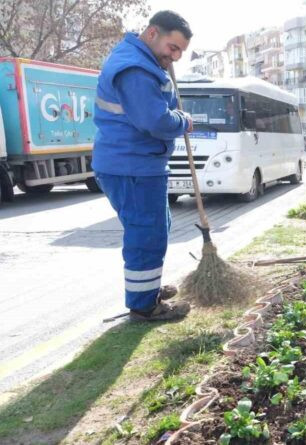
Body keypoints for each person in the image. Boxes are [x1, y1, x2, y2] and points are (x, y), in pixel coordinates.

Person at [92, 11, 193, 321]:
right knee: (146, 234)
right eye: (172, 48)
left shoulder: (143, 61)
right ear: (152, 33)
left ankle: (146, 290)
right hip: (132, 166)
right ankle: (144, 306)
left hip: (137, 164)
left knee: (155, 229)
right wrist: (183, 121)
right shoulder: (135, 68)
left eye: (180, 52)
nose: (174, 57)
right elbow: (154, 120)